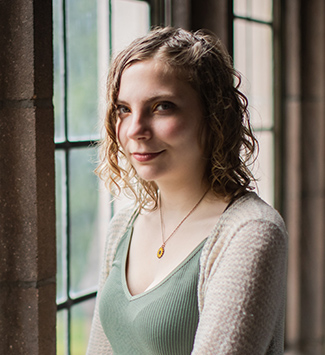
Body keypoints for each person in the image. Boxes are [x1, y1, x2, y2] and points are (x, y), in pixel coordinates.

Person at [86, 27, 287, 355]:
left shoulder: (251, 231)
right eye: (124, 109)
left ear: (214, 115)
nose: (135, 129)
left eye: (162, 106)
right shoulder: (123, 226)